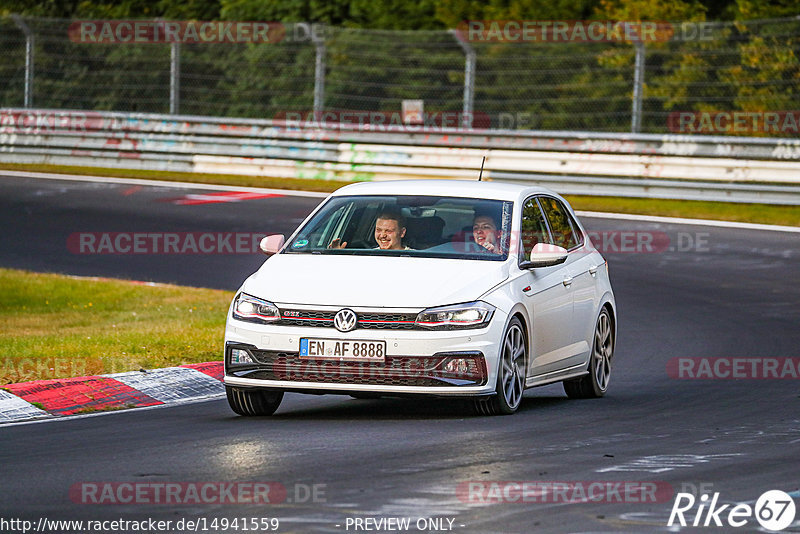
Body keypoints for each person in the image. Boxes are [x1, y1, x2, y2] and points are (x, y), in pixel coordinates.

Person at [329, 210, 410, 250]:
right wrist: (337, 255)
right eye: (378, 230)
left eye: (388, 231)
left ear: (402, 232)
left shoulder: (416, 257)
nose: (382, 235)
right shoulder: (368, 255)